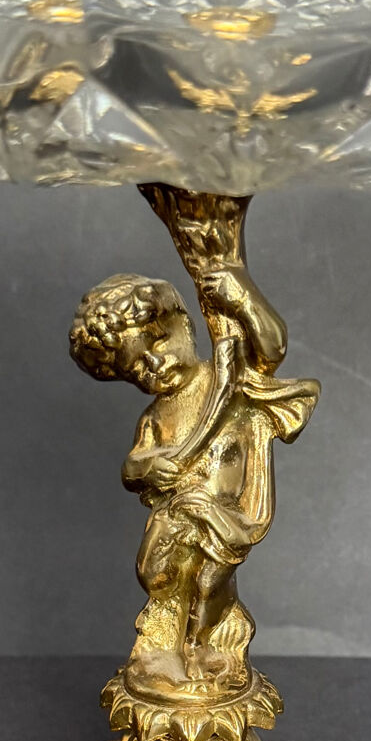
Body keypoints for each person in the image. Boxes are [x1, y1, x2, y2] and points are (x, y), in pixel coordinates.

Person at [70, 267, 319, 695]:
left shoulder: (228, 380)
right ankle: (165, 653)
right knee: (159, 576)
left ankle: (208, 648)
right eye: (137, 371)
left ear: (183, 323)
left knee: (208, 584)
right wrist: (147, 467)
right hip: (176, 516)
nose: (155, 366)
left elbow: (272, 346)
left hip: (225, 517)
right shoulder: (155, 417)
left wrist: (240, 295)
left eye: (158, 344)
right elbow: (131, 468)